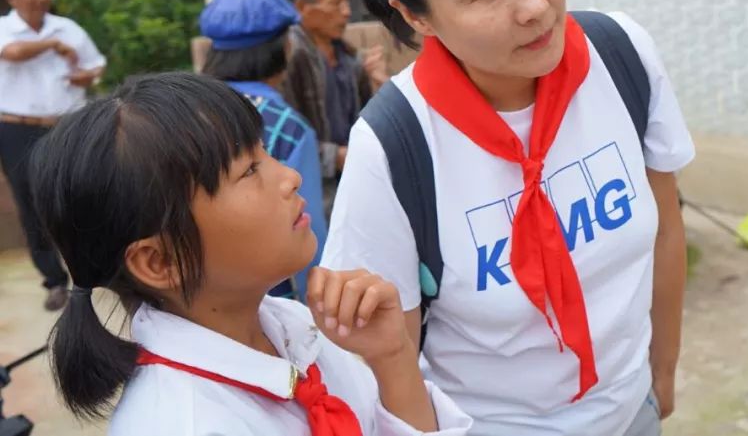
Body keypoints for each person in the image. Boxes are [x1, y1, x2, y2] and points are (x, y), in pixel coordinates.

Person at [321, 0, 695, 436]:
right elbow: (386, 361)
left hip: (634, 413)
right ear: (416, 17)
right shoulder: (395, 147)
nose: (535, 5)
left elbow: (665, 225)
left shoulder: (620, 54)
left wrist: (663, 372)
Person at [29, 72, 472, 436]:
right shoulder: (186, 423)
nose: (291, 177)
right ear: (159, 262)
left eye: (267, 154)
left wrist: (393, 358)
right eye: (248, 172)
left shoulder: (292, 329)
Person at [199, 0, 328, 300]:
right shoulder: (287, 127)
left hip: (194, 291)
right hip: (263, 298)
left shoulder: (186, 112)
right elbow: (307, 234)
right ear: (284, 49)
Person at [0, 0, 105, 311]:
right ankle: (55, 281)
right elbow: (12, 54)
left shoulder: (69, 28)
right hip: (18, 127)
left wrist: (85, 77)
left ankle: (95, 271)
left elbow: (95, 65)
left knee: (82, 192)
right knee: (32, 205)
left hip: (67, 123)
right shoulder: (4, 30)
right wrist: (53, 45)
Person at [280, 0, 388, 205]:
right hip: (312, 191)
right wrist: (335, 156)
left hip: (354, 180)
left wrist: (381, 85)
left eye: (346, 2)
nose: (347, 12)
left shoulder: (349, 57)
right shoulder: (290, 57)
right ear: (301, 7)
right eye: (336, 3)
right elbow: (283, 138)